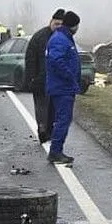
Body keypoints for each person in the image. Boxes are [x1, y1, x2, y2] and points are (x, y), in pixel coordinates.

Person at [45, 10, 82, 165]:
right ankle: (55, 152)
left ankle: (56, 150)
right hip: (62, 87)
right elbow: (56, 60)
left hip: (64, 86)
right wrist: (69, 76)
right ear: (73, 25)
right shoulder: (60, 39)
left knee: (63, 119)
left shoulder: (64, 37)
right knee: (63, 119)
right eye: (77, 25)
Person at [24, 9, 65, 143]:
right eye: (56, 24)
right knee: (41, 107)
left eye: (61, 25)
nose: (58, 27)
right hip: (40, 80)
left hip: (56, 81)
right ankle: (42, 129)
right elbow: (30, 59)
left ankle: (49, 131)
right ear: (51, 22)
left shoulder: (64, 38)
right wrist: (31, 78)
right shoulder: (39, 37)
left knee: (53, 108)